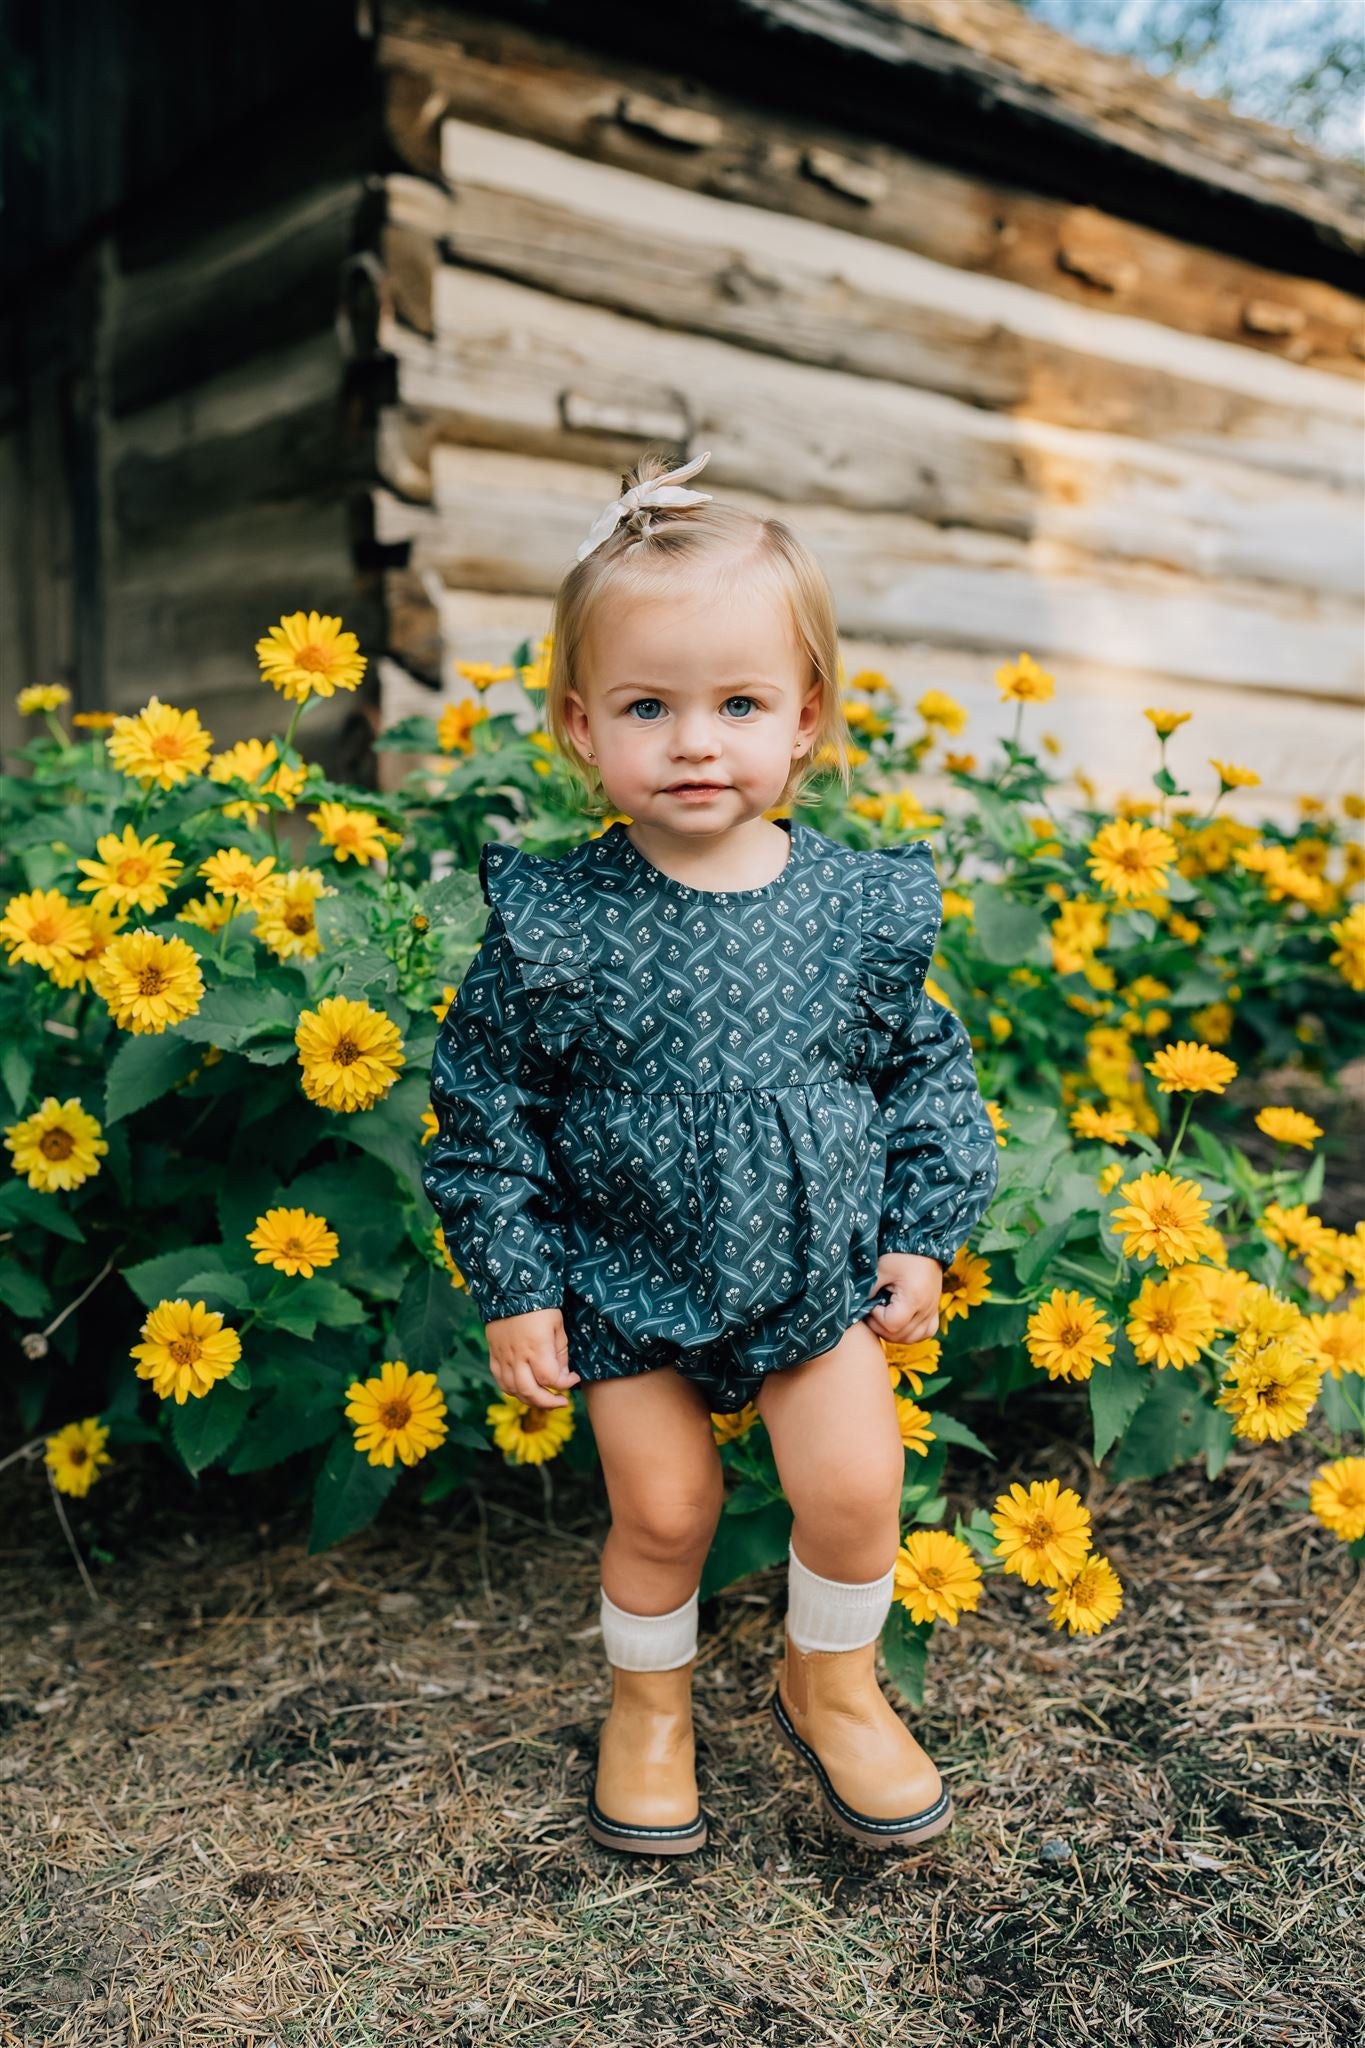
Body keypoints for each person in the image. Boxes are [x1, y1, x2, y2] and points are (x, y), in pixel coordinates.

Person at [422, 448, 999, 1857]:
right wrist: (517, 1282)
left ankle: (833, 1681)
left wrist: (920, 1232)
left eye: (736, 704)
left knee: (858, 1491)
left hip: (811, 1277)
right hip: (625, 1280)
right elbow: (483, 1107)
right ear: (577, 727)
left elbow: (923, 1076)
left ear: (803, 719)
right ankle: (650, 1707)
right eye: (646, 706)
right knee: (665, 1509)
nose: (694, 741)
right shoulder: (558, 919)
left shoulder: (853, 909)